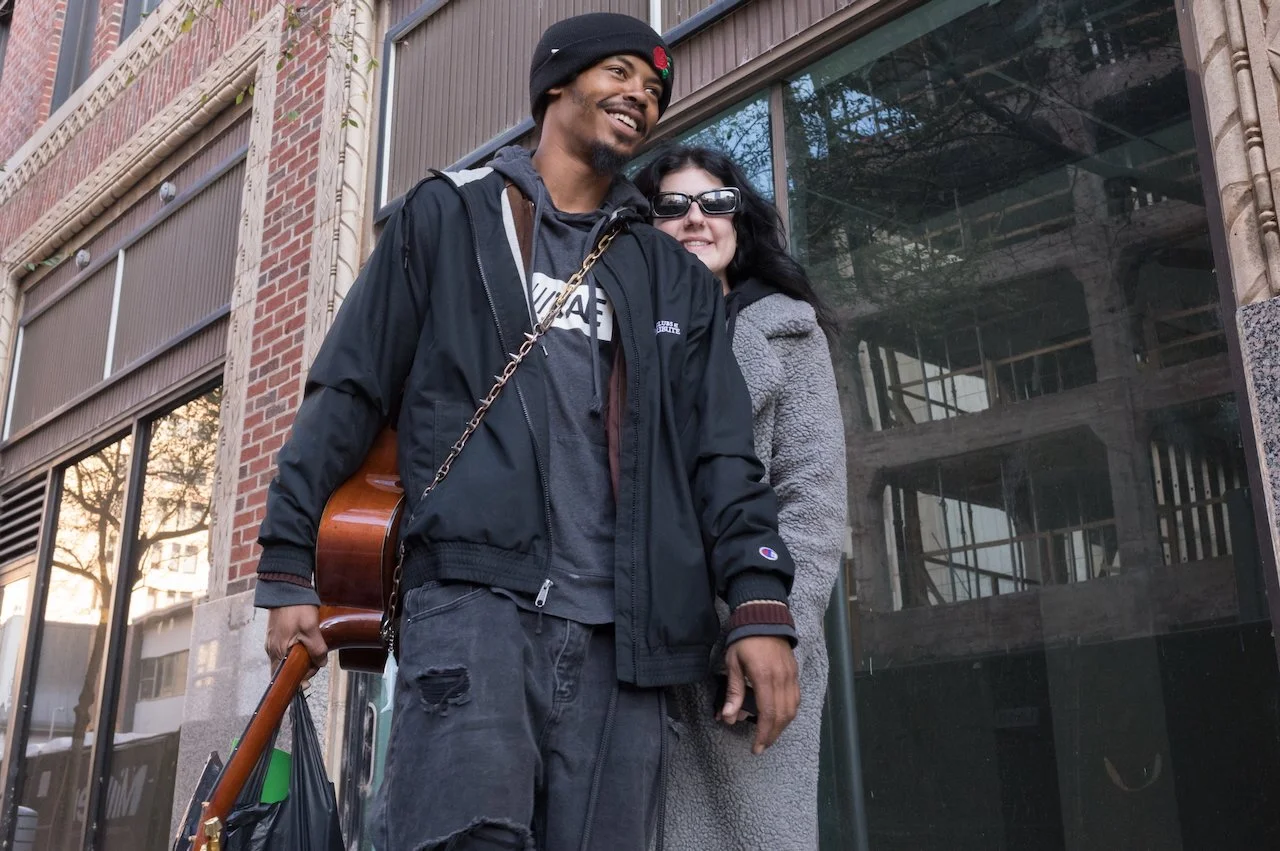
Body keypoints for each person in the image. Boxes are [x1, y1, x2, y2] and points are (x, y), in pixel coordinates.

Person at [252, 14, 803, 851]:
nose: (641, 98)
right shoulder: (449, 216)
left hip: (627, 644)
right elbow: (348, 389)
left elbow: (722, 453)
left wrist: (760, 605)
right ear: (556, 84)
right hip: (474, 610)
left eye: (654, 92)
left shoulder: (669, 278)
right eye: (620, 74)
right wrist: (289, 562)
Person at [635, 146, 847, 851]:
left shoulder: (788, 334)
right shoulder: (616, 333)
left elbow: (813, 505)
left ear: (740, 220)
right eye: (671, 206)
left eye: (714, 202)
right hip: (630, 652)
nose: (695, 218)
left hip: (745, 654)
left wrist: (780, 625)